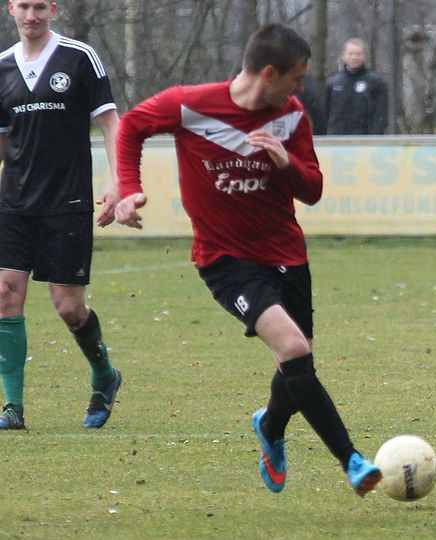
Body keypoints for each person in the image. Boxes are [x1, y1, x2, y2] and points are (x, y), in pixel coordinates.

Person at [111, 22, 382, 497]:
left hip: (286, 254)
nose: (302, 88)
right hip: (225, 259)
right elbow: (132, 125)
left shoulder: (291, 115)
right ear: (270, 74)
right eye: (297, 78)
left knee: (296, 360)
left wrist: (285, 163)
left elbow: (313, 190)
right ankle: (352, 461)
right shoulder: (191, 104)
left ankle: (271, 427)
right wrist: (129, 189)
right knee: (294, 349)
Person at [0, 0, 122, 430]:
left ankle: (105, 375)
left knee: (69, 307)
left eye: (40, 6)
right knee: (5, 292)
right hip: (14, 203)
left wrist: (119, 181)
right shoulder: (2, 67)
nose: (31, 15)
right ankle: (13, 407)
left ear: (53, 9)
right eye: (24, 6)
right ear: (11, 9)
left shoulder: (79, 57)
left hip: (67, 201)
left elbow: (111, 123)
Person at [323, 38, 388, 135]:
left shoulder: (375, 81)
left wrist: (375, 135)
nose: (354, 57)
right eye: (351, 53)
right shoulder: (333, 82)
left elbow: (380, 113)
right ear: (343, 56)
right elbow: (325, 112)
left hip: (365, 138)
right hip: (337, 137)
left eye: (358, 54)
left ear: (364, 56)